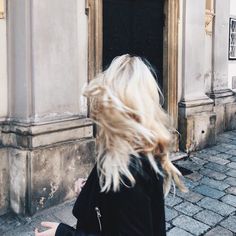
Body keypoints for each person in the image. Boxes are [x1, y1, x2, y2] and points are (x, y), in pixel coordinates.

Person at [35, 54, 187, 236]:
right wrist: (91, 191)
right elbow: (117, 207)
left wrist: (63, 234)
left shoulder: (130, 169)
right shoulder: (137, 147)